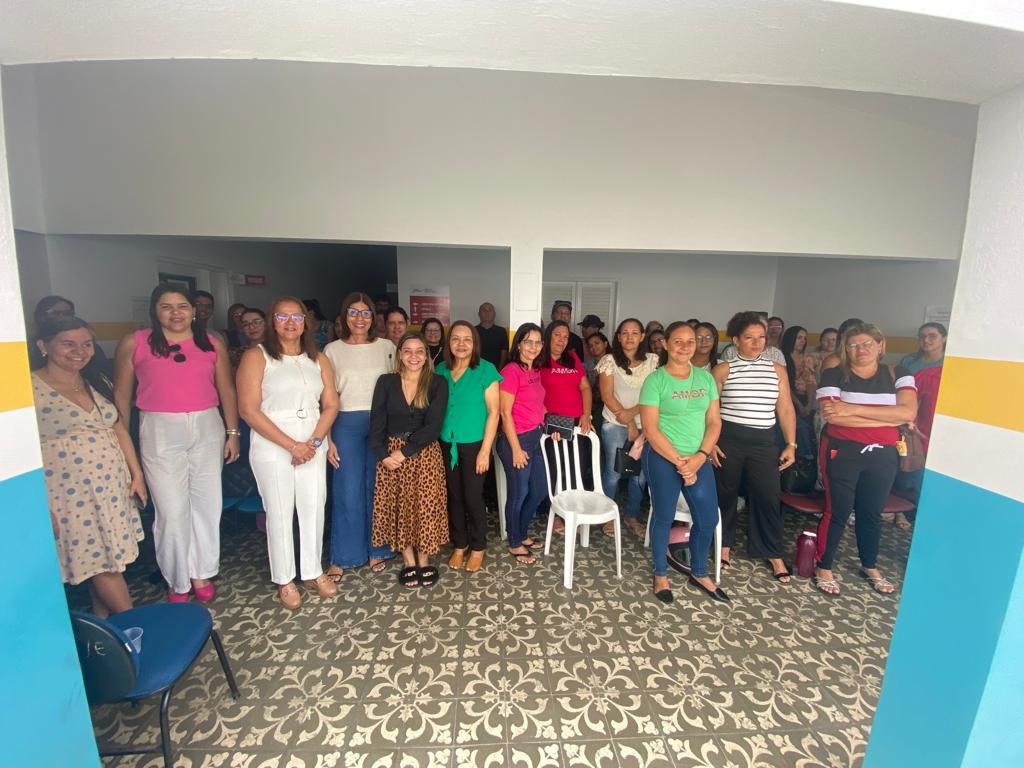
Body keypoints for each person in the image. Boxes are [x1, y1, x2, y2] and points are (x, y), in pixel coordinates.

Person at [114, 284, 240, 602]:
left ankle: (201, 571)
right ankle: (177, 579)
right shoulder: (135, 342)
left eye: (182, 306)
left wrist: (233, 432)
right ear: (155, 310)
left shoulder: (210, 342)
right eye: (166, 306)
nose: (175, 313)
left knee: (207, 503)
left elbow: (226, 389)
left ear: (193, 311)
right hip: (159, 427)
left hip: (207, 424)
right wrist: (122, 443)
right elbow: (121, 396)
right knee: (171, 509)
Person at [33, 316, 146, 617]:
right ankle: (133, 628)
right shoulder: (28, 389)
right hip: (68, 495)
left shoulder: (96, 381)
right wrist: (37, 503)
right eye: (67, 344)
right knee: (101, 565)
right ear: (43, 345)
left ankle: (102, 623)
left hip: (110, 487)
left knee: (108, 558)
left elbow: (117, 427)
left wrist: (136, 474)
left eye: (86, 344)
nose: (79, 351)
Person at [237, 297, 341, 610]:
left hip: (313, 438)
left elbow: (331, 404)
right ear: (273, 321)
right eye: (283, 317)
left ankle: (312, 571)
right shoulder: (257, 356)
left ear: (306, 322)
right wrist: (292, 446)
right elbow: (248, 409)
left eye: (297, 317)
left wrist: (314, 442)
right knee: (280, 511)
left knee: (314, 506)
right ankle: (284, 579)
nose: (290, 323)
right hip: (272, 442)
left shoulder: (318, 359)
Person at [815, 323, 917, 597]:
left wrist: (851, 408)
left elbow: (908, 412)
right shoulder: (834, 374)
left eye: (867, 344)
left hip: (884, 453)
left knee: (872, 511)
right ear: (845, 350)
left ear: (880, 345)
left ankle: (869, 565)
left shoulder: (898, 374)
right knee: (838, 510)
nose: (861, 350)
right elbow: (833, 417)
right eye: (853, 345)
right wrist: (888, 416)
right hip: (841, 451)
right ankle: (824, 566)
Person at [640, 322, 726, 604]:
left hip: (698, 457)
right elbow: (650, 429)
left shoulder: (706, 379)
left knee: (708, 518)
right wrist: (680, 463)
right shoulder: (656, 381)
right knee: (664, 516)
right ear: (665, 344)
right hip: (663, 457)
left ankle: (699, 571)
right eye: (678, 341)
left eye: (691, 341)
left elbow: (714, 422)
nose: (685, 347)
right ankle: (660, 573)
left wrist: (700, 456)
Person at [711, 312, 798, 583]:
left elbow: (785, 408)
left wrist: (791, 444)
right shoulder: (723, 369)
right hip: (729, 439)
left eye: (761, 337)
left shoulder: (777, 369)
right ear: (736, 340)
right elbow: (709, 411)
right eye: (749, 337)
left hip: (764, 441)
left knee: (768, 495)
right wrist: (710, 443)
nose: (757, 342)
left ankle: (771, 550)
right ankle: (724, 545)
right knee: (726, 493)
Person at [323, 292, 397, 579]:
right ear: (344, 316)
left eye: (366, 313)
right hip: (345, 423)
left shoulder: (387, 347)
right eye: (353, 312)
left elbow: (399, 388)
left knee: (379, 488)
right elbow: (326, 398)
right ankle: (345, 554)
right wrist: (328, 439)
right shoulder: (332, 350)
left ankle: (379, 549)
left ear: (373, 318)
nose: (359, 319)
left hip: (382, 422)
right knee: (347, 489)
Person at [370, 332, 449, 588]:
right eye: (408, 351)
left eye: (419, 351)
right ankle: (408, 561)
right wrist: (383, 455)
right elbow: (377, 423)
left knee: (424, 507)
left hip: (424, 454)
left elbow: (434, 426)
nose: (413, 356)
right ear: (399, 354)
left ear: (426, 356)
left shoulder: (437, 383)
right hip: (391, 455)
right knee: (400, 508)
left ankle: (424, 561)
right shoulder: (386, 382)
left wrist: (404, 452)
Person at [436, 321, 502, 573]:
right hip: (446, 442)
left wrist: (485, 451)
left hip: (475, 445)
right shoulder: (441, 370)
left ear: (475, 344)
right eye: (455, 339)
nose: (461, 344)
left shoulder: (486, 370)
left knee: (473, 496)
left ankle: (478, 546)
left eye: (467, 339)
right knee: (454, 496)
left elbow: (494, 412)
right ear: (449, 343)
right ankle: (460, 543)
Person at [596, 318, 659, 537]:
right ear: (618, 336)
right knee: (613, 472)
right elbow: (607, 396)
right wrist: (630, 422)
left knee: (639, 475)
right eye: (625, 332)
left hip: (647, 426)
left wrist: (633, 415)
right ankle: (606, 516)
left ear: (642, 336)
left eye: (634, 333)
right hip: (614, 424)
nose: (629, 337)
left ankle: (631, 515)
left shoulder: (653, 361)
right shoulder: (609, 361)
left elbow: (658, 395)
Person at [497, 323, 548, 565]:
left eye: (538, 342)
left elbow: (536, 402)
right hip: (516, 440)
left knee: (539, 490)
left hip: (535, 436)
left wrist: (547, 421)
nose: (533, 347)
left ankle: (522, 533)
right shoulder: (511, 371)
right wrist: (516, 449)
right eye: (528, 342)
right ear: (518, 344)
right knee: (519, 493)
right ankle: (515, 541)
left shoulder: (534, 369)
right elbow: (505, 413)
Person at [31, 295, 112, 375]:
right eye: (55, 313)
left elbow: (104, 372)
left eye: (67, 313)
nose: (80, 351)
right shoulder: (28, 348)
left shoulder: (91, 349)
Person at [780, 326, 818, 417]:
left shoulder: (808, 358)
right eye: (799, 338)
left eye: (805, 338)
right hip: (785, 398)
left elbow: (810, 382)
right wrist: (799, 405)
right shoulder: (780, 357)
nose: (803, 341)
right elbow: (783, 385)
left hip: (806, 397)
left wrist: (809, 404)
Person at [584, 332, 610, 430]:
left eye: (597, 343)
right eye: (590, 346)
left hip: (610, 403)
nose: (594, 347)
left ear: (605, 344)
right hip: (593, 403)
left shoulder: (615, 361)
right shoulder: (587, 365)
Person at [476, 302, 509, 369]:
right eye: (484, 310)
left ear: (494, 314)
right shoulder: (473, 331)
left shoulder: (501, 331)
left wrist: (499, 371)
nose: (487, 313)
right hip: (476, 370)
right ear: (479, 314)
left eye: (490, 310)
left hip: (496, 370)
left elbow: (504, 353)